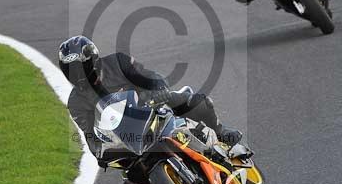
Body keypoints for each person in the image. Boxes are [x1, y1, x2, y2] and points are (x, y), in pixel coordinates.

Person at [58, 35, 243, 172]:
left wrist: (158, 87)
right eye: (70, 69)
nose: (77, 73)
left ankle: (220, 132)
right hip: (125, 138)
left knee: (190, 101)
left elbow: (148, 76)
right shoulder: (76, 102)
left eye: (80, 66)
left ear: (93, 60)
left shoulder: (118, 62)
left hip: (150, 106)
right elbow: (89, 133)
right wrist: (99, 152)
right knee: (131, 180)